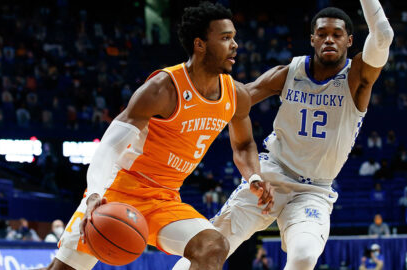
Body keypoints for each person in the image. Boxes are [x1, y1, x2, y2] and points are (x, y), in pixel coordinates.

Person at [45, 2, 273, 270]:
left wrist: (254, 176)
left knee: (213, 246)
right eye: (225, 38)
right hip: (118, 191)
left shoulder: (237, 95)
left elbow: (244, 144)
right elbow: (110, 145)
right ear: (200, 44)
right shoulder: (162, 89)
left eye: (234, 37)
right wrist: (94, 193)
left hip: (164, 199)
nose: (234, 45)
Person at [174, 0, 394, 269]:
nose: (329, 40)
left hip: (314, 189)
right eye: (322, 34)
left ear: (349, 41)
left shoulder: (357, 77)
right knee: (210, 246)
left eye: (337, 35)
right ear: (312, 39)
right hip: (272, 174)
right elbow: (236, 102)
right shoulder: (289, 72)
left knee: (303, 256)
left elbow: (383, 35)